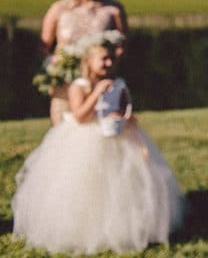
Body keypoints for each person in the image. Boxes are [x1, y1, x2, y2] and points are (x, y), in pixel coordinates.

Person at [12, 35, 184, 255]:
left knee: (121, 184)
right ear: (88, 60)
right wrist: (96, 93)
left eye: (111, 59)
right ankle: (82, 230)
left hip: (116, 138)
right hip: (85, 140)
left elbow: (121, 110)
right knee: (88, 186)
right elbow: (80, 115)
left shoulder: (118, 84)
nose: (109, 63)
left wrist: (126, 119)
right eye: (103, 59)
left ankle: (128, 227)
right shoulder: (79, 86)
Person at [40, 0, 128, 125]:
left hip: (100, 85)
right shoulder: (59, 10)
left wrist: (108, 66)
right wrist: (53, 67)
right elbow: (44, 47)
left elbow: (122, 46)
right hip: (65, 85)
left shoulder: (112, 9)